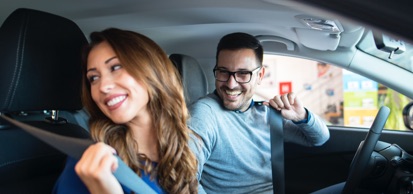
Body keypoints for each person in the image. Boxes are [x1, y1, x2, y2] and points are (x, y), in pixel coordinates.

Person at [53, 28, 198, 194]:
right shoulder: (90, 165)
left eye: (115, 67)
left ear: (152, 71)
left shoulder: (180, 152)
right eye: (93, 78)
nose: (103, 86)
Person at [188, 32, 330, 193]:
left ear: (260, 75)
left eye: (243, 74)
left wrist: (302, 116)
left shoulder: (266, 113)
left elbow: (319, 139)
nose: (231, 84)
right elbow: (184, 177)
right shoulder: (205, 113)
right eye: (223, 72)